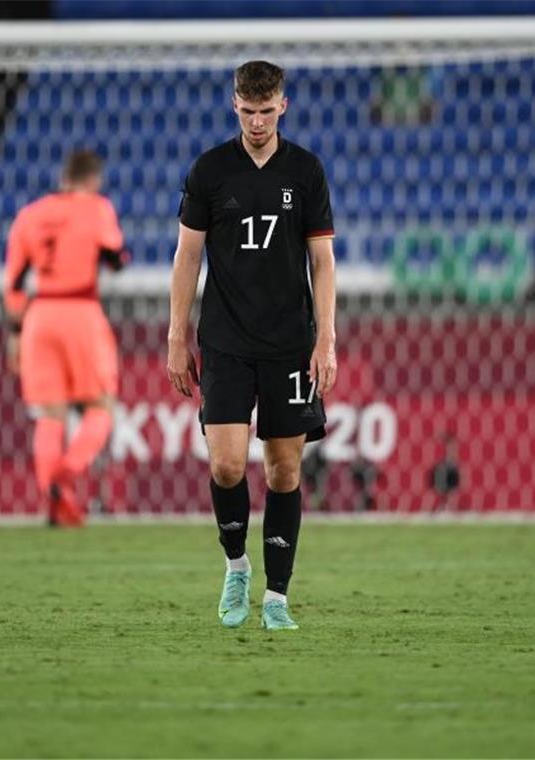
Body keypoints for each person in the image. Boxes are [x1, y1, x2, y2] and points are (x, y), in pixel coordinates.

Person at [167, 61, 338, 630]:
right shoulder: (211, 170)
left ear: (283, 106)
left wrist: (327, 340)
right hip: (225, 339)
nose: (258, 121)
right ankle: (237, 565)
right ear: (233, 105)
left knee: (285, 471)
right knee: (226, 464)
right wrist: (176, 333)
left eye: (267, 111)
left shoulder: (306, 171)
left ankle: (278, 598)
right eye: (248, 111)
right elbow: (188, 256)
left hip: (291, 342)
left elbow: (322, 259)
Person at [3, 150, 128, 527]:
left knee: (49, 414)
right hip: (80, 310)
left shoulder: (30, 215)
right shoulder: (96, 208)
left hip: (38, 317)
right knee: (102, 406)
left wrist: (14, 333)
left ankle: (56, 502)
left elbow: (12, 283)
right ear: (92, 179)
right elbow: (115, 258)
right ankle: (67, 474)